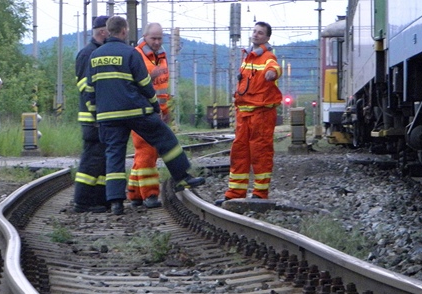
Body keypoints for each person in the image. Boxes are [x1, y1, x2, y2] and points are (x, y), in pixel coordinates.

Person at [86, 16, 205, 215]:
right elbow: (144, 84)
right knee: (165, 138)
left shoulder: (95, 55)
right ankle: (182, 177)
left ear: (108, 31)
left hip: (107, 115)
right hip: (135, 111)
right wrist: (155, 107)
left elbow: (90, 89)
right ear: (124, 31)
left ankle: (115, 202)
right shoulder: (131, 53)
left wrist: (94, 113)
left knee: (114, 155)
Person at [216, 22, 282, 205]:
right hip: (244, 113)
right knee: (239, 152)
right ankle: (236, 191)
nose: (256, 35)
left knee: (260, 151)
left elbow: (275, 68)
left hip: (261, 113)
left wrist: (272, 74)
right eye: (254, 31)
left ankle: (260, 193)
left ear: (267, 38)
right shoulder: (248, 58)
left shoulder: (268, 57)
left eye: (260, 33)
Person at [126, 23, 170, 209]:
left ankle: (135, 194)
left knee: (144, 153)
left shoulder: (161, 56)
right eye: (153, 38)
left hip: (157, 111)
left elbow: (162, 89)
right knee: (147, 152)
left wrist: (165, 111)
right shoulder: (137, 56)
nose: (157, 42)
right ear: (145, 36)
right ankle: (150, 194)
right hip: (142, 112)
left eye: (160, 38)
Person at [73, 15, 110, 213]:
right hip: (92, 119)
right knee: (92, 160)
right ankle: (83, 200)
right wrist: (96, 113)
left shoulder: (96, 52)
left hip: (99, 117)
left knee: (101, 159)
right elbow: (85, 87)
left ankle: (99, 199)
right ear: (103, 32)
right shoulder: (88, 54)